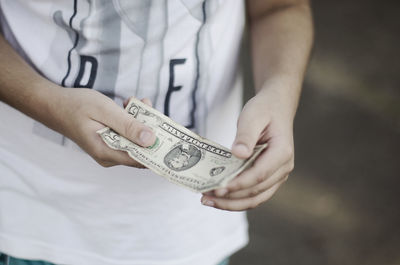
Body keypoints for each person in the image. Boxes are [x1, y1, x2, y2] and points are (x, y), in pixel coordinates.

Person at [0, 0, 313, 264]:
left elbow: (280, 7)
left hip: (187, 229)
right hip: (29, 215)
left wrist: (281, 91)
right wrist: (44, 100)